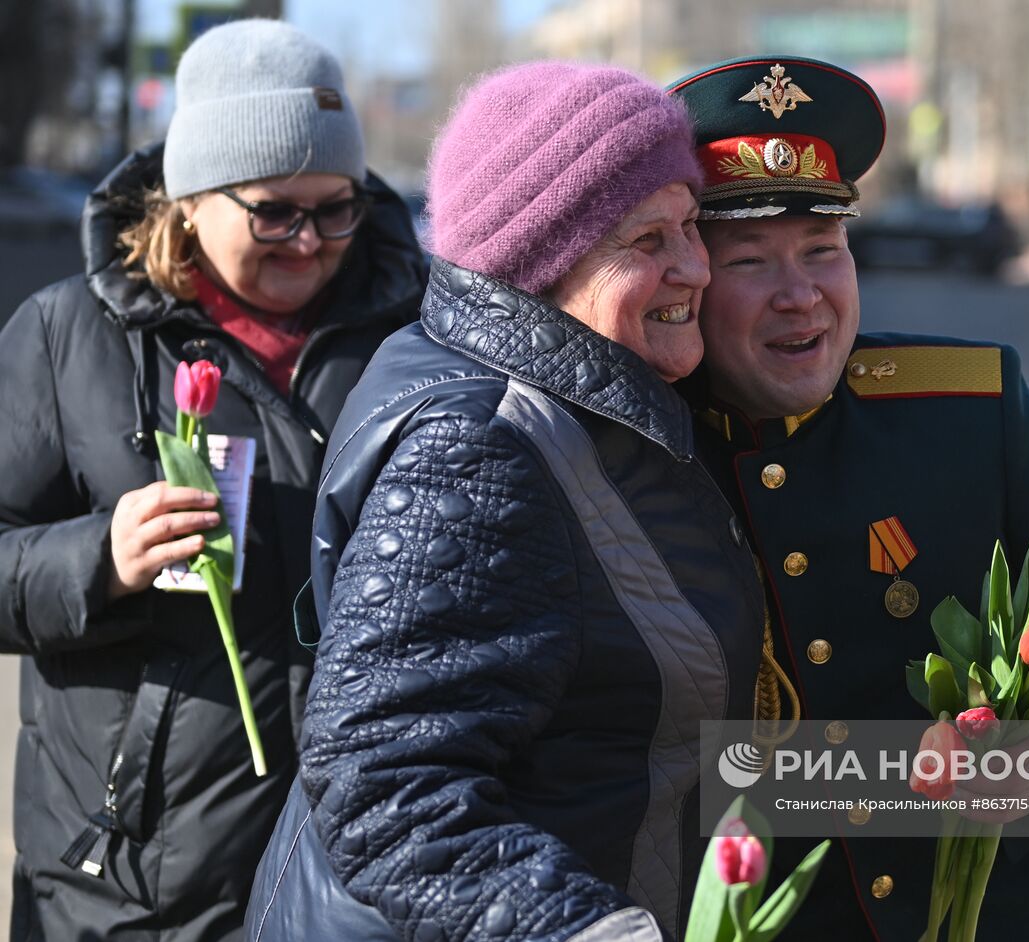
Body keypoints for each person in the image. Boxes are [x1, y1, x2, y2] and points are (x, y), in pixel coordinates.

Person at [244, 63, 766, 942]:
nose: (695, 267)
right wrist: (591, 933)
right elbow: (387, 791)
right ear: (543, 262)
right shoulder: (483, 449)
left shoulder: (593, 404)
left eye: (691, 225)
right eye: (648, 240)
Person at [666, 56, 1029, 941]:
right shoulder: (645, 448)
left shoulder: (972, 403)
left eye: (823, 251)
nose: (801, 296)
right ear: (692, 284)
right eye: (750, 261)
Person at [0, 19, 426, 941]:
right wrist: (98, 558)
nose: (310, 242)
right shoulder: (68, 336)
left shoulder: (415, 335)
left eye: (338, 207)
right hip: (132, 887)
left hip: (362, 873)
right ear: (191, 199)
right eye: (275, 212)